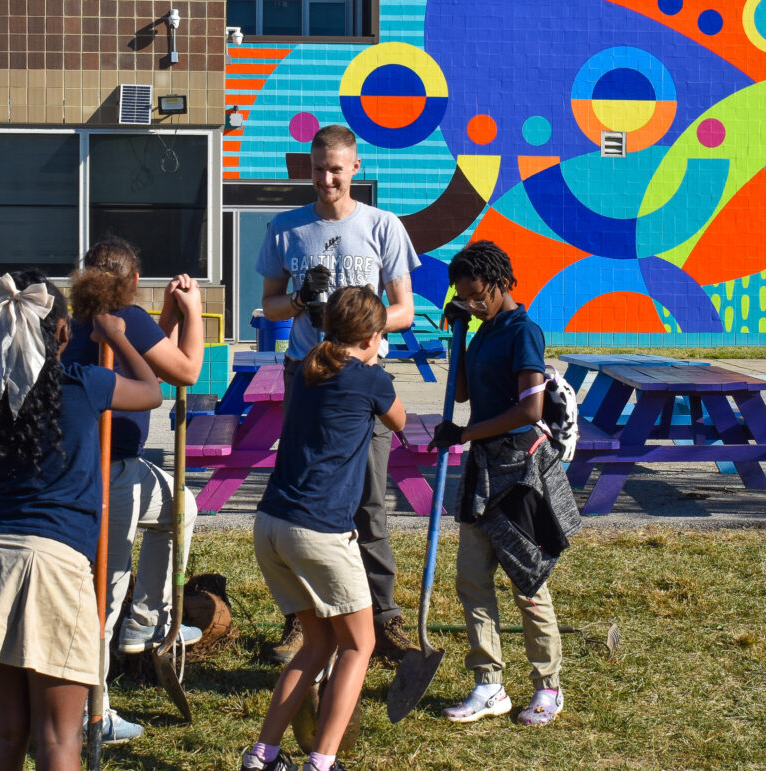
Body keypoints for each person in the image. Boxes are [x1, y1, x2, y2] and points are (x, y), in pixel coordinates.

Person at [0, 269, 162, 769]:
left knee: (2, 730)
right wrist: (117, 339)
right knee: (58, 737)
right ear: (63, 331)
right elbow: (151, 390)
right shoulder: (83, 384)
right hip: (57, 562)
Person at [257, 124, 422, 664]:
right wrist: (300, 301)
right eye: (317, 168)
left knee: (369, 498)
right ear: (306, 168)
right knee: (302, 489)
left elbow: (404, 309)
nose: (327, 178)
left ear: (355, 168)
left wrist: (361, 333)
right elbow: (270, 305)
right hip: (304, 376)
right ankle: (301, 621)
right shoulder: (285, 228)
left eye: (336, 168)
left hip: (364, 380)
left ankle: (384, 618)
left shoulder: (383, 226)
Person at [242, 286, 406, 771]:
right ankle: (322, 761)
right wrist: (377, 370)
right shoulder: (369, 379)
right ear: (375, 337)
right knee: (360, 644)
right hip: (319, 531)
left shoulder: (311, 369)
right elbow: (398, 419)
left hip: (271, 522)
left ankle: (263, 755)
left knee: (317, 645)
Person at [427, 241, 582, 726]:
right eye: (462, 297)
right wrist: (458, 331)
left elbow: (528, 411)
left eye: (475, 296)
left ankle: (547, 686)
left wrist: (465, 432)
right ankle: (488, 684)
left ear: (497, 285)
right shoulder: (483, 331)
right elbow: (465, 390)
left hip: (518, 475)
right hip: (481, 472)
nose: (469, 303)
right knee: (472, 581)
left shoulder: (523, 332)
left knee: (528, 582)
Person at [63, 237, 205, 743]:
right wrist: (195, 314)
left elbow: (139, 358)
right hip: (111, 472)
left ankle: (144, 624)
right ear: (133, 283)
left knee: (181, 507)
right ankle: (89, 710)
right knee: (105, 587)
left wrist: (164, 317)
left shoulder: (80, 316)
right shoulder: (122, 313)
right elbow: (184, 369)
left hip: (92, 467)